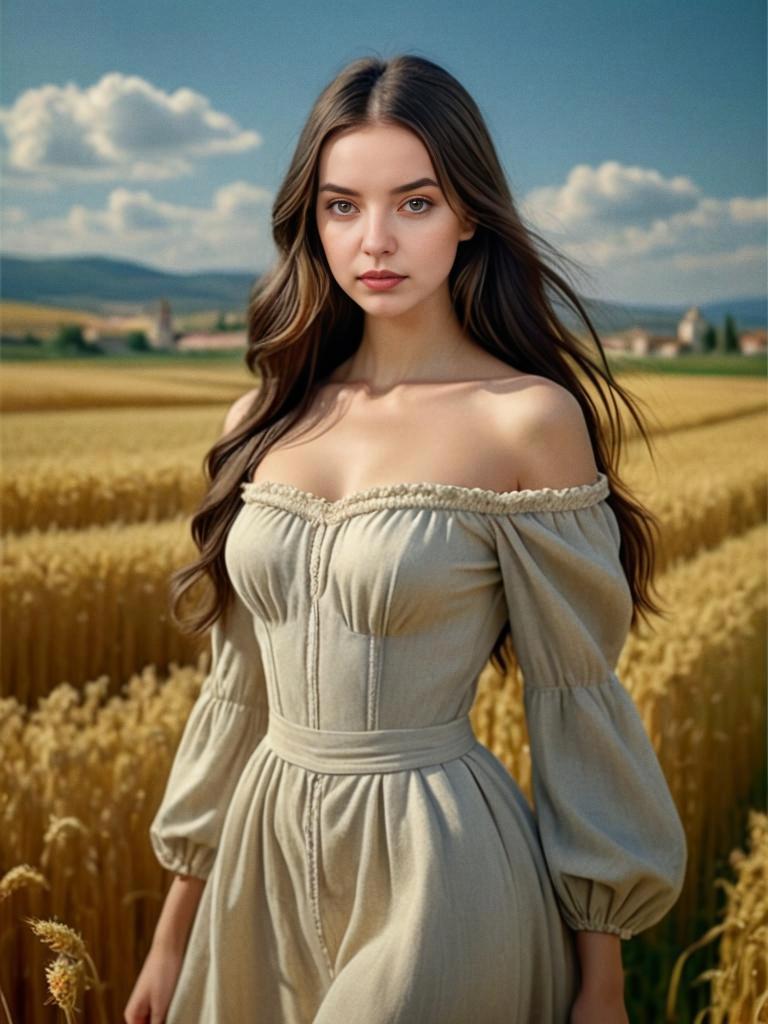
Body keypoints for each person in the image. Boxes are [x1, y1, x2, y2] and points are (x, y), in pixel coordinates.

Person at [124, 53, 687, 1024]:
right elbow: (238, 690)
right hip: (257, 873)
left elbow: (576, 704)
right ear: (312, 219)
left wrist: (603, 980)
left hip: (438, 871)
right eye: (342, 206)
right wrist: (175, 934)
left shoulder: (527, 421)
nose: (374, 240)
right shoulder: (258, 415)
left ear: (469, 214)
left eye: (414, 203)